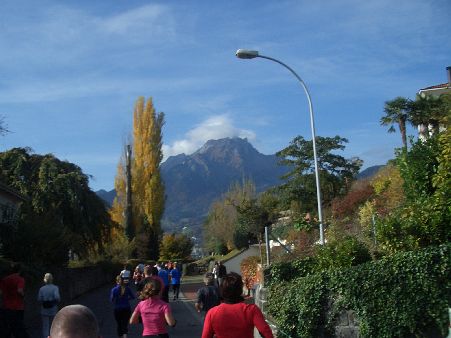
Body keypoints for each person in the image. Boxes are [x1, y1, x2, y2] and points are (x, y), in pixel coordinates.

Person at [201, 272, 274, 338]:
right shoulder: (251, 310)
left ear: (222, 290)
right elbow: (266, 333)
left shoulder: (212, 313)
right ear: (240, 289)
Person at [0, 262, 29, 338]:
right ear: (19, 270)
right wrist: (23, 296)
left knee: (6, 329)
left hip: (6, 307)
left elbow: (1, 292)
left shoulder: (5, 279)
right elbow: (20, 290)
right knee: (18, 328)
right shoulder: (20, 279)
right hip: (17, 307)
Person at [37, 272, 61, 338]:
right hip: (53, 308)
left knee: (45, 326)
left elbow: (39, 299)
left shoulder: (41, 289)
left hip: (44, 308)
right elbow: (57, 297)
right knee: (53, 324)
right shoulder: (55, 288)